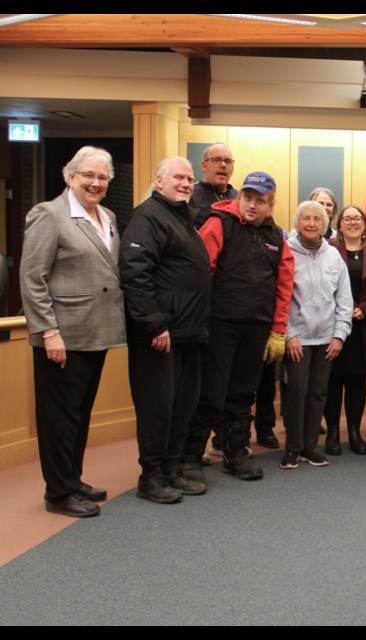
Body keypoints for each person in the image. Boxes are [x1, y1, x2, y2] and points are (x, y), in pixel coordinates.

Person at [20, 146, 125, 518]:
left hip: (96, 332)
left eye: (102, 177)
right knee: (59, 416)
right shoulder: (49, 215)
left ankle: (72, 478)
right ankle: (58, 492)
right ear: (70, 177)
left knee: (79, 414)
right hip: (62, 336)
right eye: (89, 176)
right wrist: (48, 331)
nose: (96, 183)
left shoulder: (107, 215)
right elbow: (33, 278)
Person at [182, 171, 294, 483]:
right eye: (248, 197)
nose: (252, 205)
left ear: (270, 204)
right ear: (238, 197)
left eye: (260, 200)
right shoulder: (219, 223)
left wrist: (278, 330)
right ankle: (190, 456)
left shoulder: (277, 236)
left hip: (256, 326)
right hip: (219, 324)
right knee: (210, 391)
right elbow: (200, 273)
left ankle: (236, 452)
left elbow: (284, 286)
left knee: (243, 393)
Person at [120, 157, 211, 503]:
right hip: (161, 335)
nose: (187, 183)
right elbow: (134, 272)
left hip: (188, 333)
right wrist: (154, 323)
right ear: (159, 181)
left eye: (189, 178)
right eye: (178, 177)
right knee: (158, 408)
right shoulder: (148, 216)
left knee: (181, 407)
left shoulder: (180, 218)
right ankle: (152, 477)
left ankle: (171, 470)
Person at [281, 200, 352, 470]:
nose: (311, 224)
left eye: (317, 220)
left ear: (325, 224)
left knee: (318, 393)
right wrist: (289, 335)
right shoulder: (286, 253)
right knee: (297, 391)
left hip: (327, 339)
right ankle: (293, 448)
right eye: (306, 219)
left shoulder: (334, 255)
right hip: (297, 338)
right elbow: (280, 298)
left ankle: (310, 446)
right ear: (298, 222)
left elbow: (344, 299)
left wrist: (339, 336)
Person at [323, 205, 366, 456]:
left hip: (363, 327)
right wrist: (342, 308)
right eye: (347, 218)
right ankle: (331, 434)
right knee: (332, 381)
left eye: (357, 218)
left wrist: (365, 308)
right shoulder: (327, 249)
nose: (352, 222)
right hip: (333, 325)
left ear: (364, 223)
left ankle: (353, 432)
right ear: (339, 224)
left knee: (357, 381)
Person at [191, 143, 236, 227]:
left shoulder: (238, 198)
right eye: (216, 159)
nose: (223, 165)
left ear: (232, 169)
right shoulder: (190, 195)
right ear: (204, 166)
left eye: (227, 161)